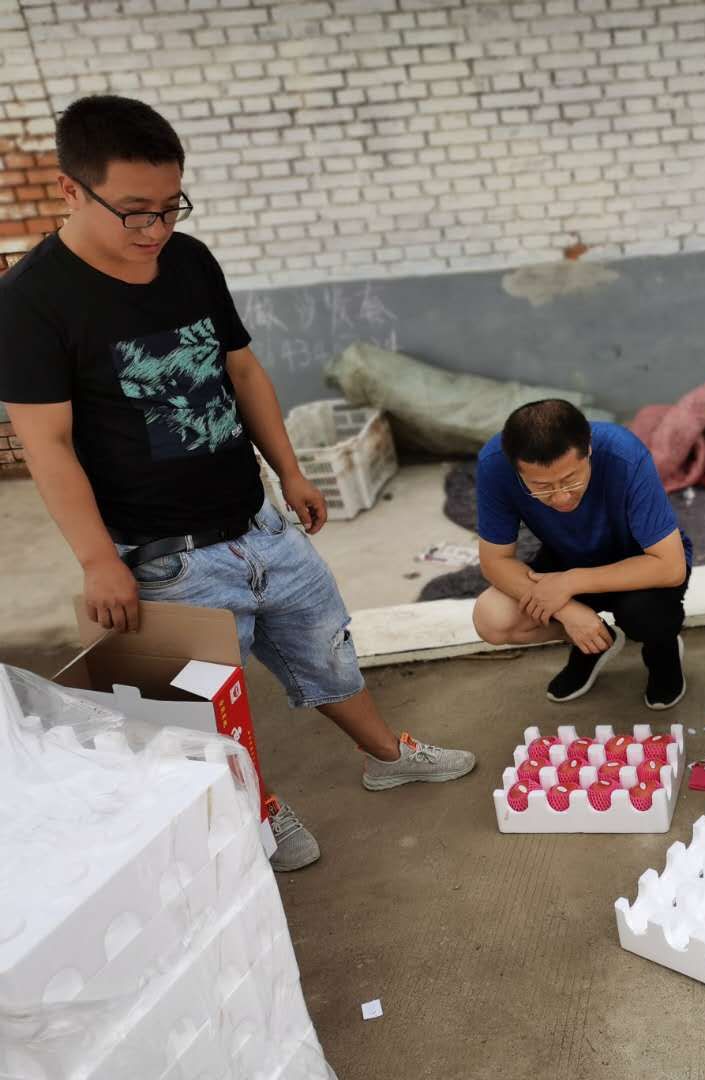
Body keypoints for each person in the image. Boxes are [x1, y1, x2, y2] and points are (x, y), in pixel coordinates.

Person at [0, 96, 476, 873]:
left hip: (258, 522)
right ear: (69, 190)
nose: (156, 230)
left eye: (171, 206)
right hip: (163, 555)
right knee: (202, 711)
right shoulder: (31, 302)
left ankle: (388, 754)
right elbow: (47, 444)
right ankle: (255, 806)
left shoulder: (189, 260)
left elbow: (242, 370)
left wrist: (289, 470)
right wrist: (97, 559)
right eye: (135, 212)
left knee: (326, 648)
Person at [471, 399, 691, 709]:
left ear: (588, 450)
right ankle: (593, 641)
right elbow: (495, 561)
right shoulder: (494, 464)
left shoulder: (624, 453)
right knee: (492, 618)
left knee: (646, 617)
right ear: (516, 468)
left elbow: (670, 566)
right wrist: (568, 611)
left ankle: (663, 650)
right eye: (542, 487)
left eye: (571, 480)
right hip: (564, 557)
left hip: (638, 562)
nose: (561, 497)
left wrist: (570, 583)